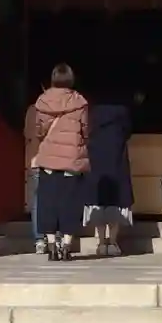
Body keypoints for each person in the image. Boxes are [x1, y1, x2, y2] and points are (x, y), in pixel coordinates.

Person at [25, 64, 91, 261]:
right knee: (70, 203)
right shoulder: (79, 101)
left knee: (48, 203)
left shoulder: (43, 101)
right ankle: (67, 246)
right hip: (72, 159)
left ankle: (53, 246)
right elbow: (85, 130)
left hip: (49, 159)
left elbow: (39, 131)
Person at [84, 93, 135, 258]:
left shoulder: (92, 113)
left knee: (98, 201)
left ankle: (101, 242)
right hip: (117, 159)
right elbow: (128, 132)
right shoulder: (122, 112)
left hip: (96, 159)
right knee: (116, 200)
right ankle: (112, 241)